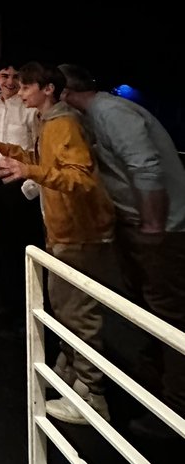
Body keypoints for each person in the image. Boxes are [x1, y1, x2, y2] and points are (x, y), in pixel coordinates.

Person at [0, 63, 116, 424]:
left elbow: (81, 178)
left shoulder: (64, 124)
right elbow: (40, 161)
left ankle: (92, 396)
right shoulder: (51, 123)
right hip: (62, 230)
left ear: (47, 89)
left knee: (78, 312)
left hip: (79, 232)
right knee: (64, 307)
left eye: (26, 86)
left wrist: (31, 172)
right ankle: (75, 377)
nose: (21, 91)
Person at [61, 64, 185, 436]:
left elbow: (145, 168)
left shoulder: (111, 112)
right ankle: (154, 389)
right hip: (139, 227)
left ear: (62, 90)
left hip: (164, 231)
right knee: (148, 310)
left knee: (169, 315)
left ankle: (176, 410)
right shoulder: (95, 117)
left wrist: (151, 228)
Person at [0, 61, 44, 334]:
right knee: (3, 246)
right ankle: (9, 304)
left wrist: (30, 185)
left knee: (25, 248)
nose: (10, 81)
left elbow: (38, 149)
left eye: (16, 76)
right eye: (5, 75)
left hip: (20, 183)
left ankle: (28, 313)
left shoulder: (29, 109)